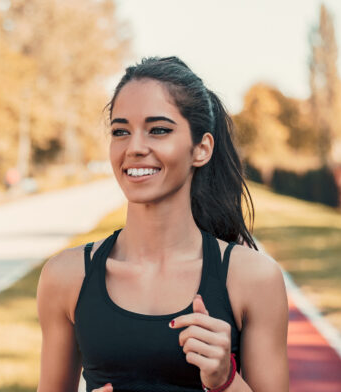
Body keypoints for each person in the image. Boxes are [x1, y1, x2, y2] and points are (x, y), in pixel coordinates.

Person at [36, 57, 289, 391]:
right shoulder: (65, 277)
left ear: (201, 149)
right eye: (120, 131)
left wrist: (225, 380)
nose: (135, 148)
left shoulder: (253, 279)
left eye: (159, 130)